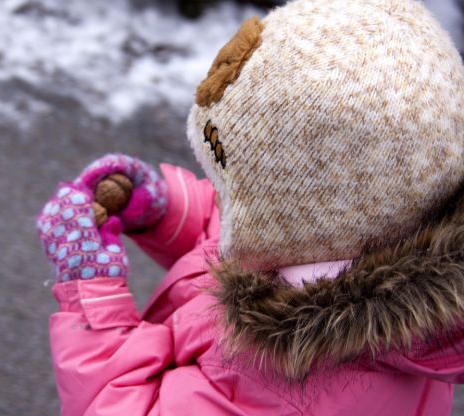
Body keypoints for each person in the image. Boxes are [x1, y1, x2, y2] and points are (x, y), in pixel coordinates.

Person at [37, 0, 464, 414]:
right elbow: (243, 233)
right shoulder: (361, 236)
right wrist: (167, 210)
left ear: (306, 216)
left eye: (224, 182)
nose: (218, 197)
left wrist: (90, 295)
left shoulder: (293, 384)